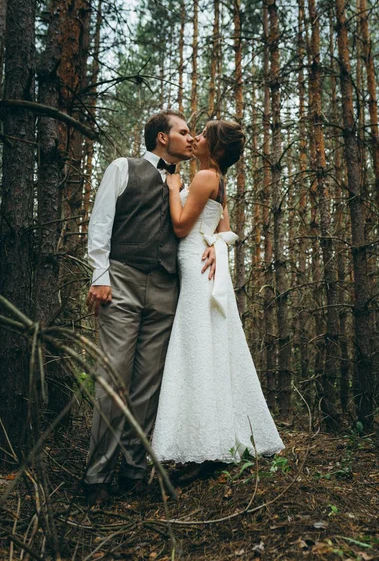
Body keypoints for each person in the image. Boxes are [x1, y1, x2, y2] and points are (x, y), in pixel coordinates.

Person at [84, 110, 215, 506]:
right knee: (114, 381)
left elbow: (201, 228)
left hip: (165, 288)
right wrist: (99, 275)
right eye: (184, 132)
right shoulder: (124, 168)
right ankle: (95, 478)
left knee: (147, 387)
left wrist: (214, 244)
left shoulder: (189, 184)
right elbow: (100, 221)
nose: (191, 138)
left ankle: (133, 472)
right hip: (121, 281)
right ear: (162, 137)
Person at [152, 120, 284, 480]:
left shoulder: (204, 178)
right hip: (200, 267)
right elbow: (225, 229)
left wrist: (172, 187)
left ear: (216, 148)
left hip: (196, 271)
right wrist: (220, 244)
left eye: (203, 136)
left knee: (196, 350)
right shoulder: (215, 179)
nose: (195, 138)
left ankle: (206, 448)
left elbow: (180, 226)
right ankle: (210, 439)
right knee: (206, 348)